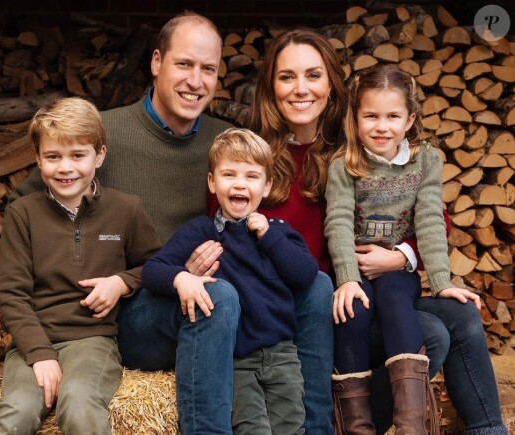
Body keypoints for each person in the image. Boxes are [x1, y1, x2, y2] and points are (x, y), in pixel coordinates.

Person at [12, 12, 331, 434]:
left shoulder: (224, 141)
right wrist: (31, 292)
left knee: (316, 286)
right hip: (135, 312)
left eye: (208, 69)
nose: (195, 81)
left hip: (214, 302)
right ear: (157, 62)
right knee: (219, 297)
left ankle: (317, 427)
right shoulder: (103, 135)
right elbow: (27, 204)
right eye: (184, 64)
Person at [248, 28, 508, 435]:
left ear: (332, 87)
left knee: (460, 314)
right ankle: (367, 425)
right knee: (433, 335)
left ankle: (488, 431)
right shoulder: (255, 158)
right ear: (270, 86)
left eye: (313, 75)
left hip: (379, 283)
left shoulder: (360, 142)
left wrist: (400, 255)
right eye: (287, 77)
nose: (301, 89)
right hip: (321, 306)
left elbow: (433, 219)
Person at [0, 97, 162, 434]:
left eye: (77, 155)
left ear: (99, 155)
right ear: (38, 159)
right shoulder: (22, 213)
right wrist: (40, 354)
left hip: (93, 341)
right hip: (31, 341)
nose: (65, 168)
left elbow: (155, 264)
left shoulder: (126, 210)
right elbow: (10, 294)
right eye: (53, 156)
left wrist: (122, 282)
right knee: (15, 413)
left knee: (80, 404)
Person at [325, 64, 479, 433]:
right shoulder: (344, 164)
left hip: (397, 271)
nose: (382, 126)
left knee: (396, 298)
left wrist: (441, 282)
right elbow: (339, 221)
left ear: (410, 119)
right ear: (355, 118)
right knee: (353, 310)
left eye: (393, 116)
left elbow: (428, 220)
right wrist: (346, 278)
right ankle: (355, 425)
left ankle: (411, 423)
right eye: (371, 116)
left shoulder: (425, 160)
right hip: (355, 270)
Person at [143, 128, 318, 434]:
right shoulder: (201, 231)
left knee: (291, 427)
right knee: (252, 429)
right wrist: (181, 278)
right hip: (237, 360)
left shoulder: (278, 232)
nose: (240, 184)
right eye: (229, 175)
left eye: (252, 176)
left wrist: (267, 236)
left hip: (282, 355)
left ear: (267, 186)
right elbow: (153, 270)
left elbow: (305, 275)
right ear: (213, 183)